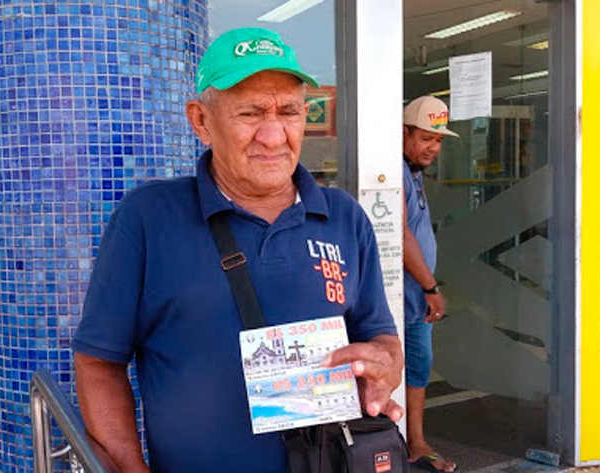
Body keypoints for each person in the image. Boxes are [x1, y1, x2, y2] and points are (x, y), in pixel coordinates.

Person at [72, 27, 404, 473]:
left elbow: (380, 335)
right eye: (250, 113)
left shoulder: (344, 218)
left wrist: (385, 365)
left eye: (288, 111)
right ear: (201, 121)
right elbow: (98, 363)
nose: (273, 136)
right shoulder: (148, 218)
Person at [402, 96, 459, 473]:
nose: (433, 148)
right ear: (403, 134)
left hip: (412, 297)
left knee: (418, 366)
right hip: (404, 295)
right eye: (425, 138)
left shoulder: (414, 172)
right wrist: (430, 286)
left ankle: (413, 442)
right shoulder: (394, 171)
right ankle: (412, 444)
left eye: (438, 141)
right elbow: (399, 232)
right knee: (411, 365)